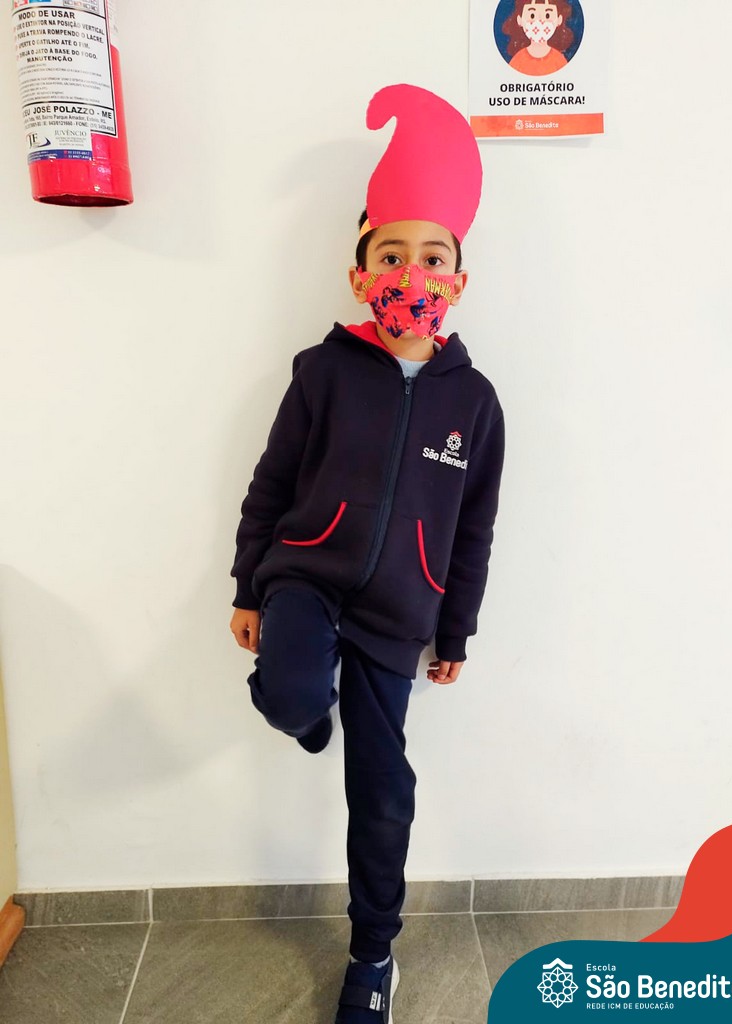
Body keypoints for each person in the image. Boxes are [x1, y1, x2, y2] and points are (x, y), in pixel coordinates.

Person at [229, 83, 505, 1024]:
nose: (411, 272)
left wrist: (453, 630)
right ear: (360, 274)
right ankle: (309, 710)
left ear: (457, 280)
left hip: (398, 614)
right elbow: (271, 483)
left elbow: (474, 529)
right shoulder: (321, 372)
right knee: (291, 697)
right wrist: (248, 585)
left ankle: (374, 956)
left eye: (433, 257)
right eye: (391, 255)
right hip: (305, 580)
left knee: (382, 795)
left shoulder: (476, 403)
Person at [503, 0, 573, 77]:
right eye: (532, 15)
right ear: (519, 20)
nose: (540, 21)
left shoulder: (559, 60)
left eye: (547, 16)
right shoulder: (518, 60)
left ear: (559, 20)